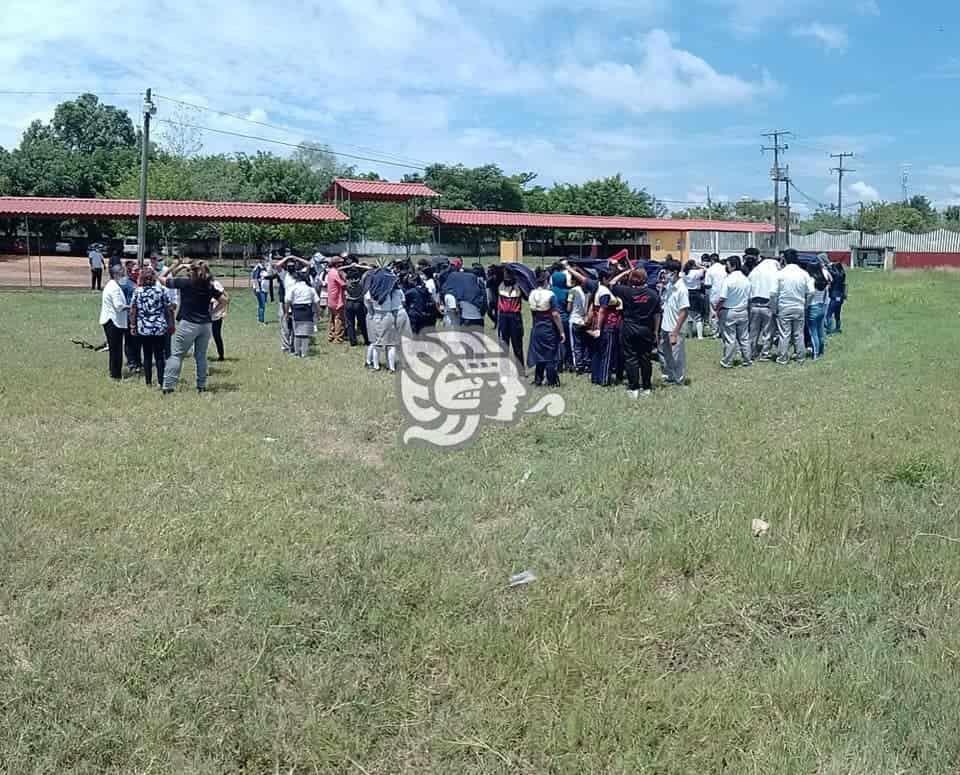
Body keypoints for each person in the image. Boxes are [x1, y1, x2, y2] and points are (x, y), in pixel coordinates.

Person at [159, 260, 225, 393]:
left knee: (177, 355)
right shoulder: (209, 285)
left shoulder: (185, 283)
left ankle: (168, 386)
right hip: (205, 325)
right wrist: (211, 313)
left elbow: (162, 279)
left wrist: (176, 266)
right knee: (201, 356)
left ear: (191, 271)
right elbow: (224, 300)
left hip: (188, 323)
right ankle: (201, 386)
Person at [610, 267, 660, 398]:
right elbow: (657, 315)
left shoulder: (626, 291)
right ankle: (647, 387)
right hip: (646, 329)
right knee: (645, 358)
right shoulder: (653, 294)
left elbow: (612, 283)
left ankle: (634, 388)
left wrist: (625, 272)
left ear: (632, 278)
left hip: (629, 328)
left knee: (631, 358)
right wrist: (655, 332)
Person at [130, 266, 173, 387]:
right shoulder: (162, 290)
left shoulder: (138, 291)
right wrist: (170, 323)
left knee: (147, 355)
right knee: (160, 356)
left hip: (144, 328)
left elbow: (133, 310)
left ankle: (148, 381)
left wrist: (133, 326)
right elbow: (169, 308)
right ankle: (161, 381)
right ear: (154, 278)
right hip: (159, 327)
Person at [364, 268, 409, 372]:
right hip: (388, 316)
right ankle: (391, 367)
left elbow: (369, 308)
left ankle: (376, 366)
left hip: (377, 315)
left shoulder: (370, 293)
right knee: (391, 343)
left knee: (377, 343)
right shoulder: (390, 292)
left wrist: (372, 313)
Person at [527, 272, 566, 387]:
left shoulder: (532, 293)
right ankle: (552, 380)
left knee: (539, 354)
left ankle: (538, 379)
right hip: (548, 328)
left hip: (536, 327)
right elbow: (555, 314)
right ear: (546, 281)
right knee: (550, 355)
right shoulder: (550, 295)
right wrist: (562, 331)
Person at [776, 250, 815, 364]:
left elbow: (773, 293)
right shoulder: (803, 273)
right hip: (799, 306)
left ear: (785, 259)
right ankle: (800, 357)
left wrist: (774, 307)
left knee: (784, 334)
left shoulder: (781, 274)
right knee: (799, 334)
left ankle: (783, 358)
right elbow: (811, 292)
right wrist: (806, 304)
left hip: (784, 306)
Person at [589, 269, 623, 387]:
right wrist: (599, 327)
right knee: (606, 354)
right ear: (604, 279)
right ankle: (604, 379)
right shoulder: (604, 292)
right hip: (607, 326)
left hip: (599, 325)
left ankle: (595, 377)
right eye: (609, 278)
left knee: (597, 352)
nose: (610, 280)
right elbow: (603, 311)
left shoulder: (598, 288)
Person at [658, 259, 690, 385]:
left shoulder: (682, 289)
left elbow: (684, 311)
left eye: (666, 272)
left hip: (675, 328)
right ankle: (670, 376)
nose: (664, 274)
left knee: (677, 356)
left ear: (674, 272)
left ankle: (679, 380)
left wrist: (675, 332)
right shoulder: (671, 286)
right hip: (665, 326)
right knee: (666, 354)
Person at [717, 256, 752, 369]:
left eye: (727, 265)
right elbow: (749, 298)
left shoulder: (728, 280)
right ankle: (747, 359)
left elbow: (722, 298)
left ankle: (727, 361)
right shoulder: (746, 280)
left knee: (730, 338)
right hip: (743, 311)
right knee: (744, 337)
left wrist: (716, 309)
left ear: (733, 266)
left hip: (730, 311)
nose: (726, 268)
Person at [563, 263, 598, 374]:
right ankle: (587, 363)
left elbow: (569, 308)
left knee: (575, 345)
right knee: (585, 344)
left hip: (574, 320)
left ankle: (577, 365)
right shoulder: (589, 291)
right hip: (585, 320)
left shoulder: (573, 291)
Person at [98, 264, 129, 381]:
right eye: (122, 274)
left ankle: (114, 373)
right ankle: (115, 375)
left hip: (113, 321)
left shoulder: (113, 285)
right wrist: (132, 307)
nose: (124, 276)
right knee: (116, 350)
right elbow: (119, 306)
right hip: (113, 322)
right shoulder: (114, 287)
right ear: (116, 274)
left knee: (115, 349)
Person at [748, 249, 779, 361]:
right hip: (768, 305)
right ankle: (765, 353)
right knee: (768, 332)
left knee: (753, 331)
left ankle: (751, 352)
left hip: (754, 304)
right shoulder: (775, 273)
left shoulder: (755, 271)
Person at [273, 255, 309, 353]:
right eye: (289, 265)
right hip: (284, 303)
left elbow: (309, 264)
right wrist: (288, 257)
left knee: (295, 327)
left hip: (296, 303)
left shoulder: (299, 275)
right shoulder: (284, 275)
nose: (291, 267)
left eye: (292, 265)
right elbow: (277, 265)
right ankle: (285, 346)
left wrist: (296, 258)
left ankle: (293, 346)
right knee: (285, 326)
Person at [285, 269, 320, 358]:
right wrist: (317, 313)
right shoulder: (310, 289)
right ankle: (304, 353)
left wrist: (286, 313)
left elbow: (287, 301)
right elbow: (316, 302)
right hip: (307, 312)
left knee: (297, 334)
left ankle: (297, 352)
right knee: (305, 335)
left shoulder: (293, 288)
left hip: (296, 311)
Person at [496, 267, 526, 374]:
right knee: (504, 344)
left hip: (515, 316)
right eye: (505, 274)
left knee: (517, 344)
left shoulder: (519, 286)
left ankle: (521, 371)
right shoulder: (500, 285)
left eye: (508, 274)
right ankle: (504, 371)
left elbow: (526, 296)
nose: (506, 277)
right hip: (503, 316)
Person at [807, 255, 832, 360]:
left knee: (813, 332)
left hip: (813, 306)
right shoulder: (824, 280)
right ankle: (821, 351)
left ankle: (815, 354)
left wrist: (806, 305)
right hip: (822, 306)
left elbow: (809, 294)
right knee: (820, 330)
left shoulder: (811, 280)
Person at [343, 257, 371, 347]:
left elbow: (338, 269)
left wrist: (349, 265)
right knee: (362, 323)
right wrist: (358, 265)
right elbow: (371, 269)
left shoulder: (347, 281)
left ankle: (353, 342)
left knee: (350, 323)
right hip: (358, 303)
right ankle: (367, 340)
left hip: (348, 303)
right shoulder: (361, 281)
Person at [119, 263, 142, 373]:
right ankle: (131, 362)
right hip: (130, 315)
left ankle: (138, 361)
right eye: (135, 270)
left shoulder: (141, 281)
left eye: (139, 270)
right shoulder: (125, 282)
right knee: (129, 340)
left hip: (141, 316)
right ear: (129, 271)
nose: (138, 272)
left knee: (138, 340)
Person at [551, 267, 573, 369]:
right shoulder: (567, 292)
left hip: (552, 319)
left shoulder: (550, 291)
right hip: (565, 319)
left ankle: (557, 363)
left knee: (555, 341)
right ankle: (568, 363)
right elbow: (569, 308)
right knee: (566, 342)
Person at [682, 259, 707, 339]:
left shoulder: (684, 273)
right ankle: (700, 336)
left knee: (689, 316)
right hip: (696, 293)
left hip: (686, 293)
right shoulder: (696, 272)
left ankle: (690, 335)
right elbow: (705, 269)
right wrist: (699, 265)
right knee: (698, 316)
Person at [326, 254, 347, 344]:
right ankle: (338, 338)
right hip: (337, 299)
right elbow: (343, 284)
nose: (342, 264)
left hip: (330, 298)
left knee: (332, 319)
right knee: (339, 319)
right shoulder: (336, 273)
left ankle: (331, 335)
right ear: (337, 264)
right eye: (340, 263)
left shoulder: (330, 272)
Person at [705, 255, 727, 338]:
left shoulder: (710, 270)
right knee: (724, 314)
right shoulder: (725, 268)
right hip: (725, 294)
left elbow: (708, 284)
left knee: (714, 314)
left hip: (714, 294)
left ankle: (715, 332)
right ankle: (723, 331)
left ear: (712, 260)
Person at [210, 279, 230, 361]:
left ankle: (221, 355)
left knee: (216, 335)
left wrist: (225, 311)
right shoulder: (198, 283)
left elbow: (227, 297)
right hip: (204, 315)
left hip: (215, 315)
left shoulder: (216, 284)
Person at [826, 261, 847, 334]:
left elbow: (829, 270)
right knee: (837, 314)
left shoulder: (835, 275)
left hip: (834, 296)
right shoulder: (843, 274)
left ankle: (828, 330)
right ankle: (838, 328)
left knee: (828, 314)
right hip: (840, 296)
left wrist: (829, 265)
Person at [250, 256, 270, 324]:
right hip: (260, 290)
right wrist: (257, 290)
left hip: (264, 289)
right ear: (261, 260)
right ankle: (261, 320)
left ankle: (260, 318)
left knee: (262, 304)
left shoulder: (264, 268)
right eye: (265, 260)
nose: (266, 262)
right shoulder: (258, 268)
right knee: (262, 305)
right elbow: (255, 279)